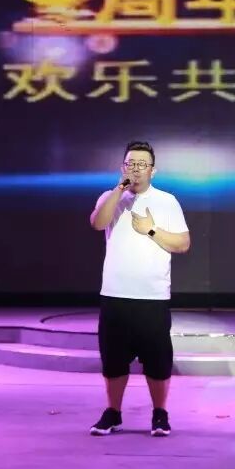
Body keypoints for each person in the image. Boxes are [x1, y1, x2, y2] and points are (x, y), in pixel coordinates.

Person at [87, 140, 190, 437]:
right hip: (115, 294)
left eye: (142, 164)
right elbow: (97, 223)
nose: (136, 169)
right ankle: (113, 412)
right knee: (113, 360)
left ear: (152, 171)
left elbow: (183, 243)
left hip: (152, 296)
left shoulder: (167, 201)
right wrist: (119, 190)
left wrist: (151, 229)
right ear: (123, 167)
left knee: (157, 361)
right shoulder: (110, 197)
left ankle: (160, 413)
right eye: (131, 163)